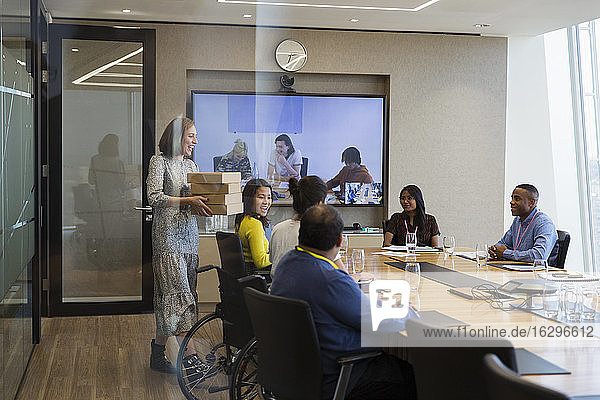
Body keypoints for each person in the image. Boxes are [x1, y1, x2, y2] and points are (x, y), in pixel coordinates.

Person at [271, 205, 417, 400]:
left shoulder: (287, 263)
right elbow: (379, 320)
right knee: (411, 374)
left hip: (297, 372)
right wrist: (408, 312)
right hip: (342, 373)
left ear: (301, 233)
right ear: (340, 240)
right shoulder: (329, 278)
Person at [147, 117, 213, 375]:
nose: (195, 142)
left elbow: (194, 199)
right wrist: (188, 200)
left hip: (189, 239)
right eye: (191, 136)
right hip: (167, 239)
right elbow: (154, 197)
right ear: (177, 137)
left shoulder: (191, 164)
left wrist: (204, 204)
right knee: (179, 296)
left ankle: (157, 353)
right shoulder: (159, 162)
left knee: (172, 298)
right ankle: (191, 360)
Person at [269, 176, 344, 277]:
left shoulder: (278, 228)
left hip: (278, 290)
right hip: (308, 291)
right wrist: (358, 276)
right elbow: (343, 276)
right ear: (319, 203)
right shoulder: (320, 231)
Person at [489, 184, 558, 265]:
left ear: (531, 203)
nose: (511, 202)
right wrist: (494, 249)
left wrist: (505, 253)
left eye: (517, 199)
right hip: (517, 270)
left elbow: (539, 255)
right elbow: (503, 243)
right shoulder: (517, 221)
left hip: (536, 275)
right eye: (512, 198)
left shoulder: (544, 224)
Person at [88, 133, 126, 265]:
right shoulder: (117, 161)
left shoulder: (94, 159)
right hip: (114, 202)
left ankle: (100, 258)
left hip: (98, 201)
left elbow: (91, 180)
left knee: (101, 231)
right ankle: (111, 258)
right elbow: (121, 183)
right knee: (113, 233)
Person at [235, 178, 273, 276]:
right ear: (250, 198)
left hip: (248, 276)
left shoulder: (243, 219)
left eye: (269, 198)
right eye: (261, 197)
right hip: (256, 277)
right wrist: (280, 254)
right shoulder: (254, 224)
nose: (266, 202)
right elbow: (260, 262)